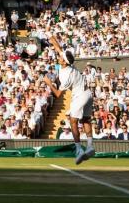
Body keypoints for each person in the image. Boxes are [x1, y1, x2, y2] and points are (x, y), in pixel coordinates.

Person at [43, 36, 95, 164]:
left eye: (61, 58)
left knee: (73, 120)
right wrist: (53, 40)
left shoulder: (65, 75)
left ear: (64, 62)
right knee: (86, 120)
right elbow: (59, 49)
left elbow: (58, 94)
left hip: (80, 96)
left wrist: (49, 83)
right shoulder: (67, 64)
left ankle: (78, 149)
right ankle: (89, 146)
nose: (59, 57)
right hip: (89, 94)